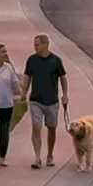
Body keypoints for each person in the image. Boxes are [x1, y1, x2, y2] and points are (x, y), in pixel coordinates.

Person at [21, 33, 68, 167]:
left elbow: (63, 78)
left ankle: (50, 155)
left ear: (45, 44)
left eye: (37, 45)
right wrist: (24, 92)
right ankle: (37, 158)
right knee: (36, 127)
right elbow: (27, 77)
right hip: (36, 100)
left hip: (52, 100)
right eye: (34, 45)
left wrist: (65, 95)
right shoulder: (31, 60)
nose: (35, 47)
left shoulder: (56, 61)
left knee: (51, 128)